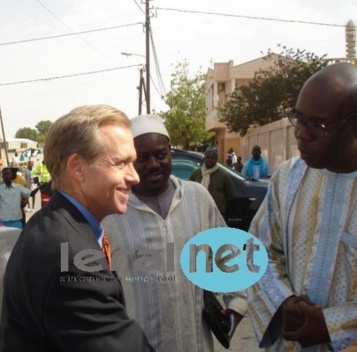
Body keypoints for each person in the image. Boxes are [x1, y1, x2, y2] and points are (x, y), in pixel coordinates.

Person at [0, 105, 154, 352]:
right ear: (77, 168)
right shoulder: (70, 256)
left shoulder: (51, 224)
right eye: (121, 163)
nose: (134, 176)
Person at [102, 114, 247, 352]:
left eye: (160, 155)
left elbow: (229, 254)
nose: (153, 164)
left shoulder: (196, 196)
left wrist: (237, 306)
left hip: (196, 342)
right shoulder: (111, 212)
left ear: (170, 152)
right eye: (142, 158)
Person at [247, 62, 357, 351]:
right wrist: (283, 301)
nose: (301, 134)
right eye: (298, 118)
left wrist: (334, 325)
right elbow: (260, 251)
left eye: (318, 126)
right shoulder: (287, 177)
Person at [189, 147, 235, 217]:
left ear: (216, 159)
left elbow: (230, 195)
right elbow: (189, 192)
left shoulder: (223, 175)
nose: (210, 160)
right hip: (198, 214)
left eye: (212, 158)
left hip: (217, 214)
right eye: (207, 158)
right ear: (204, 159)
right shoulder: (196, 174)